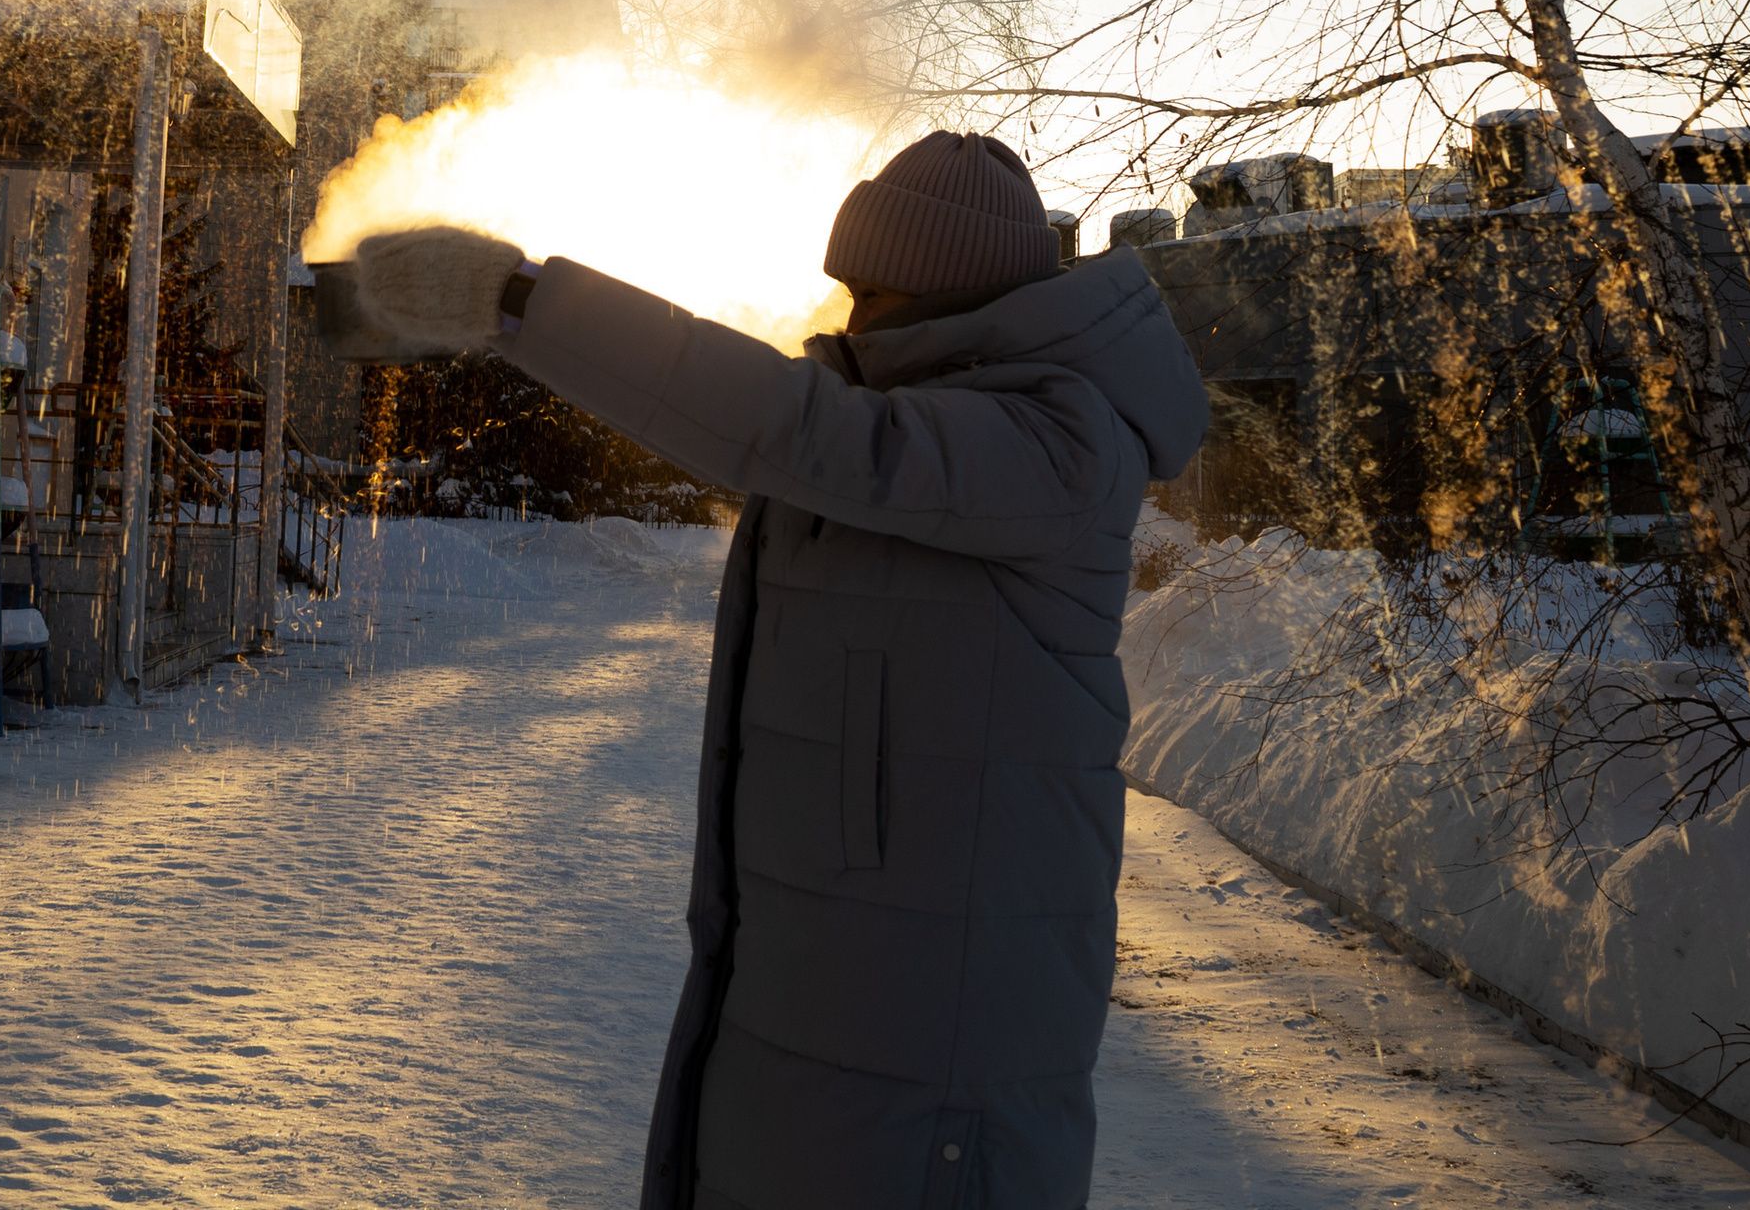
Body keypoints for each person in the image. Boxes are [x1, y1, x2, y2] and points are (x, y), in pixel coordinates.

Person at [355, 130, 1208, 1210]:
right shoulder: (914, 431)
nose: (852, 315)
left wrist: (521, 302)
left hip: (936, 1071)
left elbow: (794, 427)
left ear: (952, 300)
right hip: (829, 1020)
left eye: (877, 291)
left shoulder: (1055, 441)